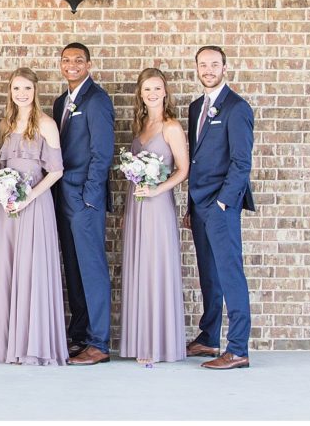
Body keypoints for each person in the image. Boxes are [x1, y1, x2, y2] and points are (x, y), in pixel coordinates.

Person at [0, 68, 67, 366]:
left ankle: (33, 344)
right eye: (16, 88)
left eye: (27, 89)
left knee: (33, 270)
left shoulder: (46, 124)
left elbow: (56, 171)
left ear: (36, 91)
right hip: (9, 209)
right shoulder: (5, 125)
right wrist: (3, 194)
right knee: (10, 268)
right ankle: (9, 344)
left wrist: (27, 197)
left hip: (34, 206)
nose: (21, 94)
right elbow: (0, 167)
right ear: (10, 91)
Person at [185, 45, 255, 370]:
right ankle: (209, 337)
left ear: (225, 68)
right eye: (203, 64)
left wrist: (225, 202)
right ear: (197, 68)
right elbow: (196, 160)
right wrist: (190, 204)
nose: (208, 69)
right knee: (208, 275)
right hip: (199, 205)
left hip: (221, 206)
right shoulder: (196, 106)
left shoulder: (237, 108)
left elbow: (242, 162)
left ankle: (238, 348)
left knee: (229, 275)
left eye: (214, 64)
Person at [119, 68, 189, 365]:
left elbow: (183, 170)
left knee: (156, 268)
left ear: (165, 91)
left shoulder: (171, 127)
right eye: (147, 89)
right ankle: (139, 341)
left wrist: (157, 189)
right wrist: (126, 209)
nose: (152, 93)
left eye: (157, 88)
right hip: (137, 204)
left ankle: (158, 345)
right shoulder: (142, 125)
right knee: (138, 268)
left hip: (158, 205)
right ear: (141, 93)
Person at [51, 42, 115, 366]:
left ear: (89, 64)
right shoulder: (61, 101)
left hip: (84, 198)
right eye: (66, 60)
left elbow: (102, 153)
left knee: (91, 269)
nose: (72, 64)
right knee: (74, 270)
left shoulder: (97, 100)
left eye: (78, 60)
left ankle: (99, 342)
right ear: (60, 65)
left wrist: (90, 197)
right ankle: (80, 335)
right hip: (63, 196)